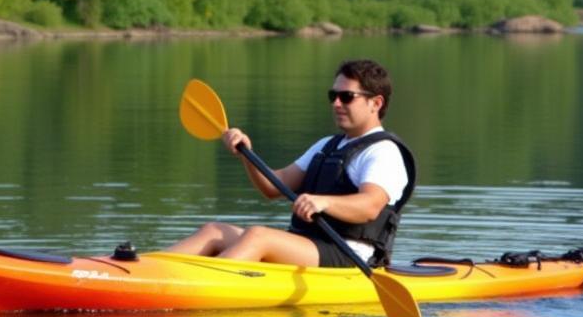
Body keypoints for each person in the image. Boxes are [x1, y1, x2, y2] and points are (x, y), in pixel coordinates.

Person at [166, 59, 415, 267]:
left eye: (346, 97)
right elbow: (274, 186)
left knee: (259, 236)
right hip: (307, 244)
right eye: (333, 95)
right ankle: (138, 269)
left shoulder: (383, 152)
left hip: (349, 256)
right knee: (213, 231)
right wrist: (246, 153)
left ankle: (201, 285)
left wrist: (323, 201)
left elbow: (370, 206)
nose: (336, 103)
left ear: (376, 103)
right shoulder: (327, 145)